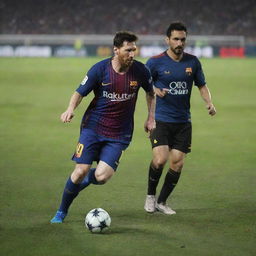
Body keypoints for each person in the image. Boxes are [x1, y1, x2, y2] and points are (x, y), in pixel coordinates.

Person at [51, 31, 155, 223]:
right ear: (116, 50)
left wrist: (150, 118)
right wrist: (70, 109)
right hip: (93, 128)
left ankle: (75, 186)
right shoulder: (99, 70)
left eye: (134, 50)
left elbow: (151, 93)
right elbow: (79, 92)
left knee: (102, 176)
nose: (132, 54)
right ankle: (61, 211)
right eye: (128, 50)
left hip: (119, 134)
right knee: (80, 171)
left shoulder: (141, 71)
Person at [144, 22, 216, 215]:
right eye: (175, 39)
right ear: (167, 40)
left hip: (183, 121)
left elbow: (201, 85)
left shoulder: (193, 62)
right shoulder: (155, 62)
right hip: (161, 119)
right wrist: (155, 91)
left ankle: (162, 202)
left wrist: (209, 102)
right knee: (160, 160)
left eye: (182, 39)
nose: (179, 43)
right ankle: (150, 196)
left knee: (177, 162)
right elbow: (145, 86)